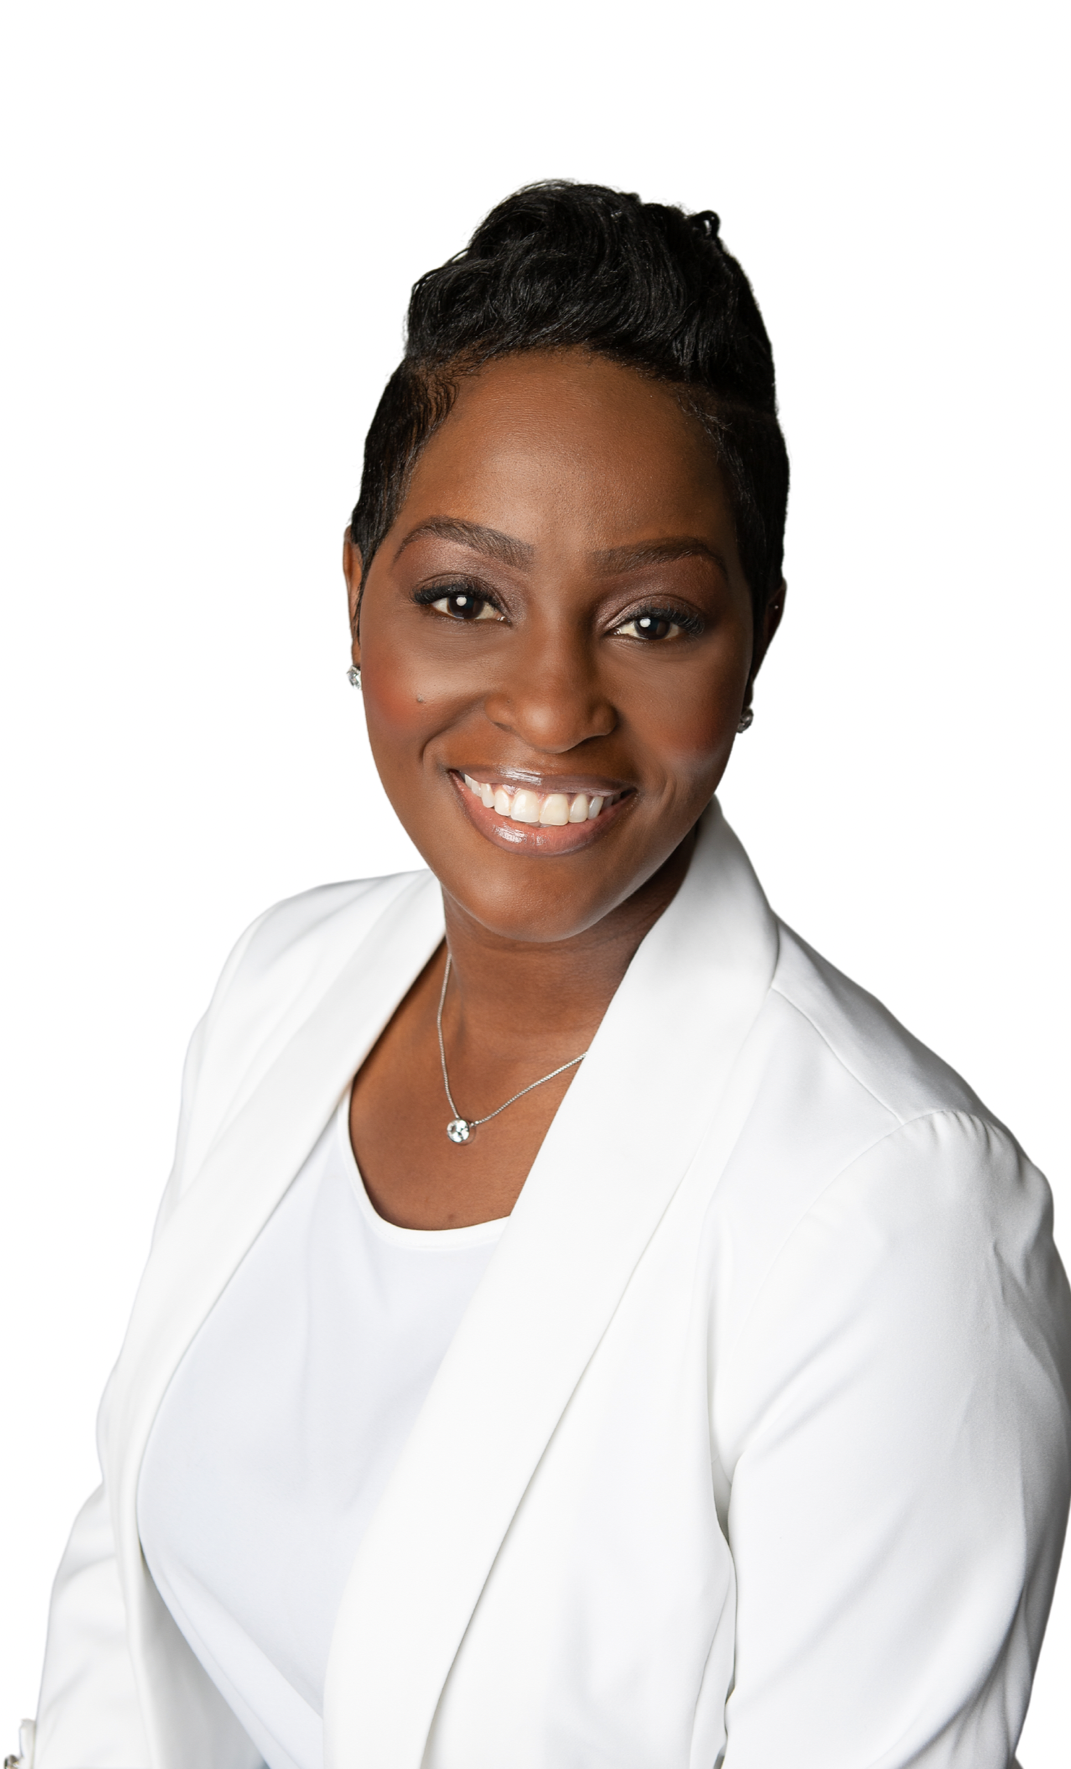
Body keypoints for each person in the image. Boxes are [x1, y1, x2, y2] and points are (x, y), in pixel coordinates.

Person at [16, 182, 1071, 1769]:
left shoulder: (888, 1218)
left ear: (755, 641)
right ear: (355, 595)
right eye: (464, 600)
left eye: (650, 619)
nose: (551, 704)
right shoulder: (284, 984)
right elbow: (123, 1601)